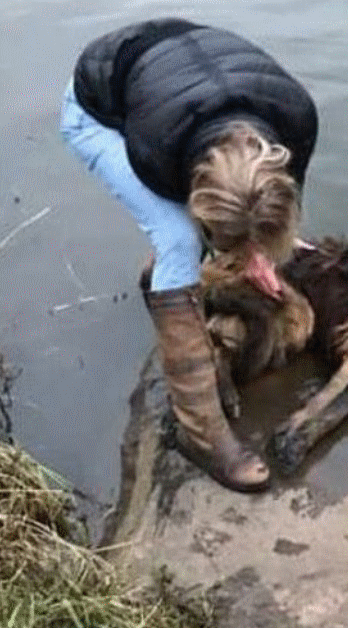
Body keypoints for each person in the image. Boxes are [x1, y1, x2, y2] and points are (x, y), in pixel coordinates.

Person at [61, 18, 319, 493]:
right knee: (178, 238)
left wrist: (259, 252)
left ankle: (159, 279)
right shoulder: (158, 150)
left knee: (201, 238)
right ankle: (197, 435)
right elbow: (187, 214)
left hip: (180, 84)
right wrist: (215, 251)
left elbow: (280, 200)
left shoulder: (297, 118)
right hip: (96, 111)